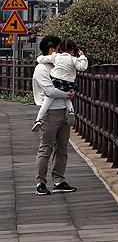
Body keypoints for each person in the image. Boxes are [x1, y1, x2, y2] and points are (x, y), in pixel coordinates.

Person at [32, 35, 79, 195]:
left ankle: (59, 180)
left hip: (64, 111)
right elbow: (49, 91)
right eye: (58, 50)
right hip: (50, 113)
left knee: (62, 148)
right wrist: (68, 94)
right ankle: (40, 183)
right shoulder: (41, 69)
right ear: (52, 50)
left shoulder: (58, 66)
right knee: (46, 148)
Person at [32, 38, 88, 132]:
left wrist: (44, 59)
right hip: (69, 83)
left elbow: (41, 59)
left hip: (57, 81)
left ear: (60, 49)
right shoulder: (73, 59)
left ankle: (39, 119)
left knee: (47, 100)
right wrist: (82, 57)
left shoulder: (56, 57)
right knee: (67, 98)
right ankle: (71, 111)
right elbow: (82, 67)